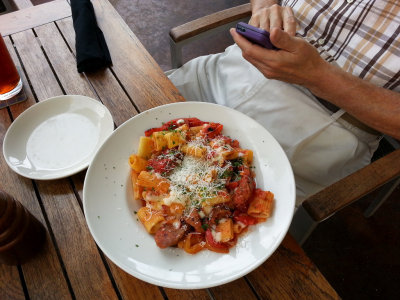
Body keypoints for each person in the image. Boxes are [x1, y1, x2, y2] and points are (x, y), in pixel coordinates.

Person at [167, 0, 400, 206]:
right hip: (237, 67)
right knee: (142, 112)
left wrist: (319, 76)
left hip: (325, 129)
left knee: (216, 213)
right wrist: (264, 8)